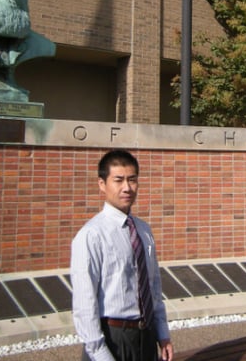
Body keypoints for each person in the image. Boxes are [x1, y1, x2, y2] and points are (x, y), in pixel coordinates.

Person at [71, 150, 174, 361]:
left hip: (146, 336)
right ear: (102, 184)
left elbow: (153, 286)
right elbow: (84, 302)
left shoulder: (144, 230)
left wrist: (162, 333)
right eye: (118, 180)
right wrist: (100, 353)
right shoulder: (92, 235)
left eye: (132, 180)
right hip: (113, 338)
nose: (127, 187)